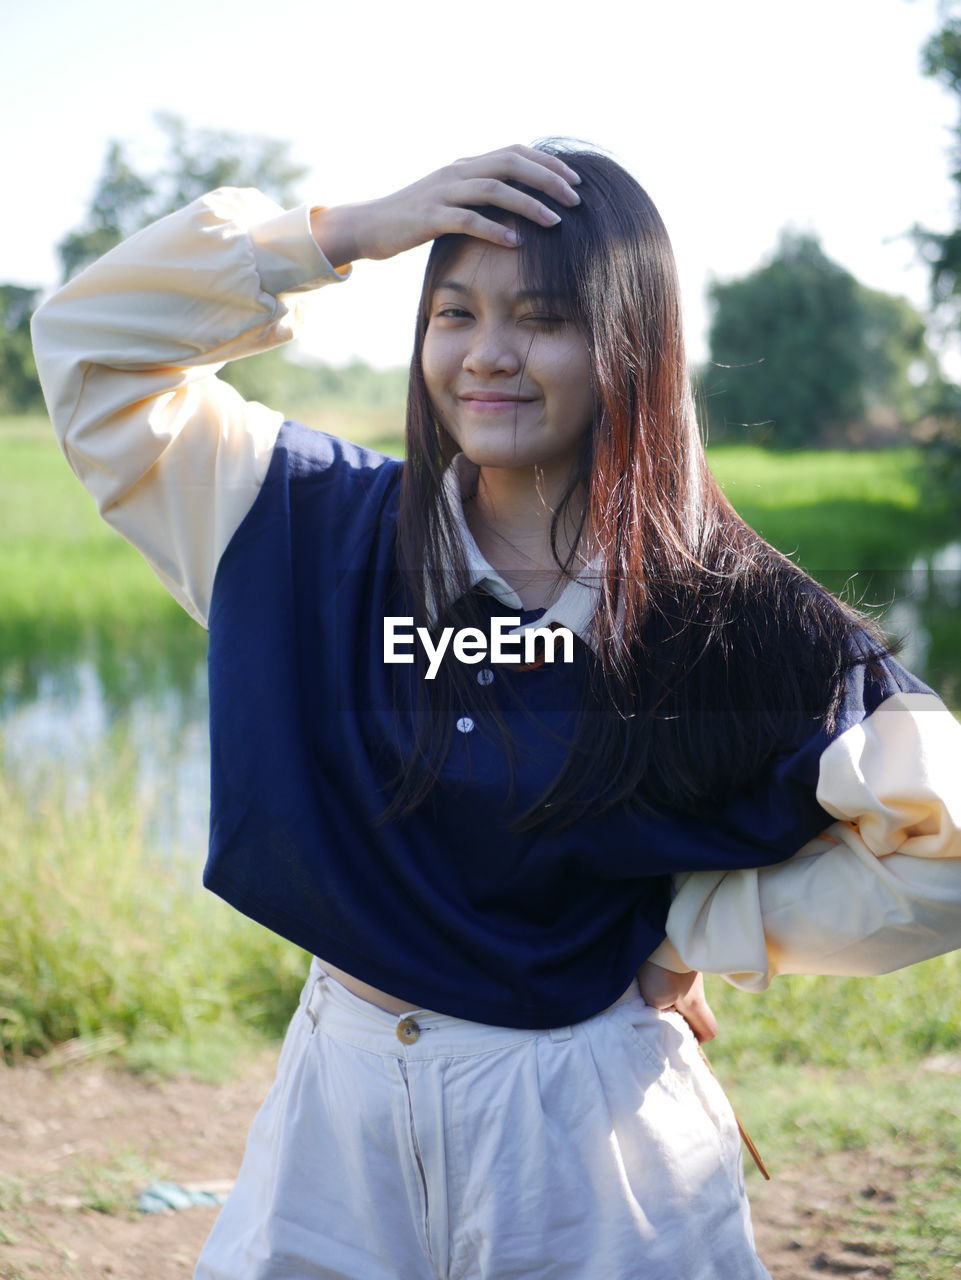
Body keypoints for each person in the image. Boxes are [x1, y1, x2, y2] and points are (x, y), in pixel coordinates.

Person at [32, 142, 961, 1280]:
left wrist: (694, 922)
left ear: (630, 341)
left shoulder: (731, 613)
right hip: (336, 1107)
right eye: (454, 311)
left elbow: (941, 852)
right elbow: (88, 346)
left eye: (543, 316)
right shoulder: (301, 522)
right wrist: (345, 232)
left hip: (587, 1132)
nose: (488, 355)